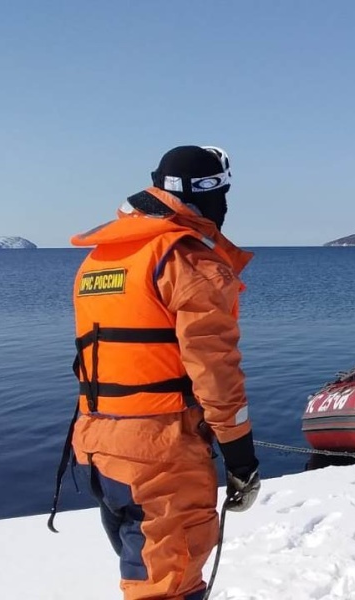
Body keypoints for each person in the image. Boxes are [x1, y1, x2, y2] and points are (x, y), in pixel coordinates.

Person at [50, 145, 260, 600]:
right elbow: (215, 371)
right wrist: (241, 458)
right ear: (212, 194)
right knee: (169, 584)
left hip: (98, 448)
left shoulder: (102, 258)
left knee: (145, 573)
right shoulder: (189, 260)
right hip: (159, 453)